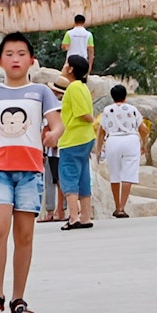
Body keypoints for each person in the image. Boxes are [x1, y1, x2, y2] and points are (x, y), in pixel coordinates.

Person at [0, 32, 64, 313]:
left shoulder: (40, 92)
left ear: (31, 60)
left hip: (30, 171)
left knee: (24, 235)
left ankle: (18, 298)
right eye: (9, 53)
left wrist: (53, 136)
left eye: (21, 53)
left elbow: (57, 124)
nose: (15, 58)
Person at [95, 84, 148, 218]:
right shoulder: (133, 110)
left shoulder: (107, 110)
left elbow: (101, 132)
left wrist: (98, 149)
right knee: (128, 174)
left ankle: (116, 205)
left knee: (115, 175)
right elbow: (143, 129)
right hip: (131, 140)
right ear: (125, 96)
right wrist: (144, 144)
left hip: (113, 141)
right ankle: (122, 208)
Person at [56, 54, 96, 230]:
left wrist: (92, 118)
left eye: (66, 64)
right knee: (83, 176)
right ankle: (85, 216)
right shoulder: (83, 87)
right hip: (85, 138)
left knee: (69, 176)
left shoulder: (73, 88)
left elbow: (83, 114)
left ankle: (73, 217)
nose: (63, 66)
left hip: (72, 138)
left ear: (71, 68)